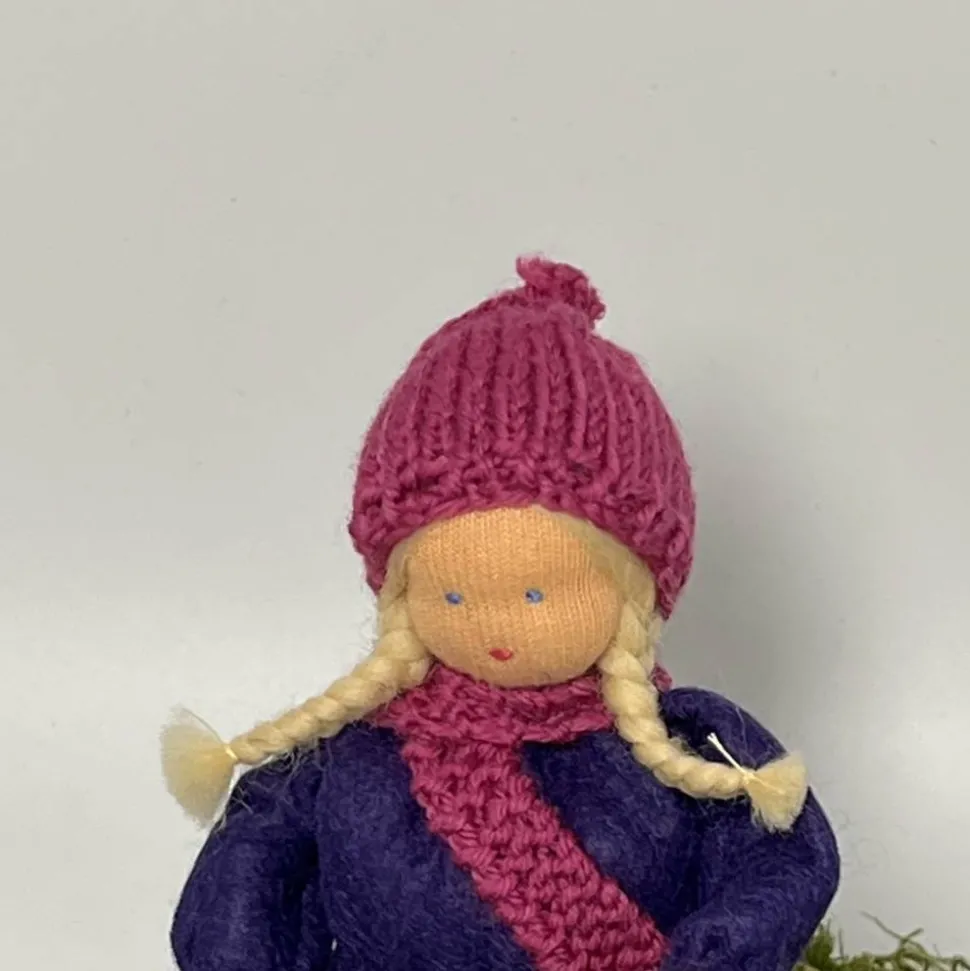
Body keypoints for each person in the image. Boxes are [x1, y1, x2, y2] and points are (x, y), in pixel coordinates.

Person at [164, 256, 840, 971]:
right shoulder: (348, 760)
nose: (498, 627)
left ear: (634, 588)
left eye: (540, 593)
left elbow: (782, 860)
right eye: (453, 595)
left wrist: (718, 949)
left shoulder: (692, 753)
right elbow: (249, 873)